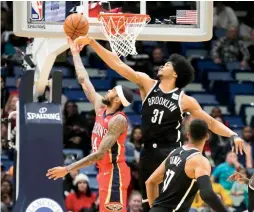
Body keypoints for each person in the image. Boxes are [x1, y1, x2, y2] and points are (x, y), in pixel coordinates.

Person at [75, 35, 245, 212]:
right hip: (147, 152)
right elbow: (118, 64)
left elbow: (209, 121)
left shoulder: (185, 100)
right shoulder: (147, 84)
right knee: (148, 205)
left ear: (175, 74)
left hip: (170, 153)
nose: (163, 65)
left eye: (168, 64)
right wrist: (92, 43)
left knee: (167, 205)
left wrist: (233, 134)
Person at [46, 37, 134, 212]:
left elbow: (99, 154)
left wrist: (67, 169)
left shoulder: (118, 120)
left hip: (115, 174)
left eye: (112, 90)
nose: (108, 90)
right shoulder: (101, 108)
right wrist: (75, 53)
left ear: (117, 99)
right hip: (105, 173)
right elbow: (84, 80)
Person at [145, 119, 228, 212]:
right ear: (207, 136)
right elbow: (207, 194)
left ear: (188, 135)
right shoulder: (200, 160)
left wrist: (155, 208)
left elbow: (150, 182)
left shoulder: (174, 153)